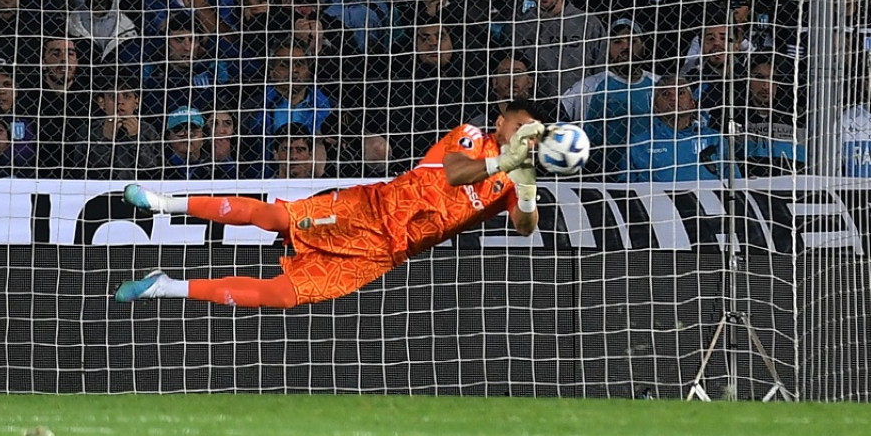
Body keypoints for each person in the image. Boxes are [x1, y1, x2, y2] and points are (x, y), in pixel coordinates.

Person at [114, 100, 548, 308]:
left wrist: (524, 183)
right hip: (370, 210)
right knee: (273, 216)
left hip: (383, 252)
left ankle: (164, 285)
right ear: (500, 123)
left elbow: (525, 227)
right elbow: (455, 173)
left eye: (533, 130)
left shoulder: (513, 180)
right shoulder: (472, 137)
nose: (525, 134)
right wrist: (507, 161)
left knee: (282, 296)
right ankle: (163, 201)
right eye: (520, 125)